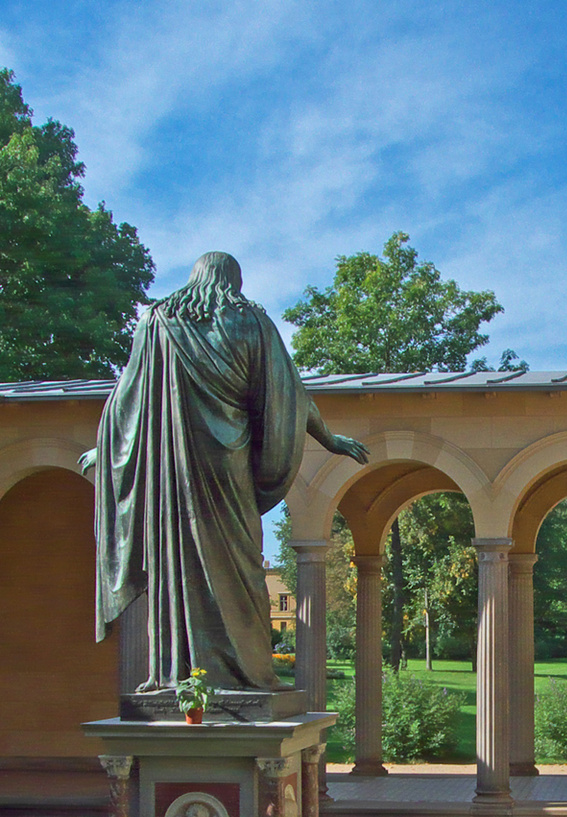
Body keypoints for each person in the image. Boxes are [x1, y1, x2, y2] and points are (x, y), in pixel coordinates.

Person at [88, 251, 368, 691]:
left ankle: (178, 674)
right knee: (241, 568)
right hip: (227, 468)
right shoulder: (251, 321)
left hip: (172, 473)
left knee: (177, 564)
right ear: (233, 280)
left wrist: (107, 450)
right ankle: (248, 673)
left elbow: (129, 401)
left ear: (195, 277)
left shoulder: (158, 321)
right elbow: (287, 396)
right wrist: (329, 438)